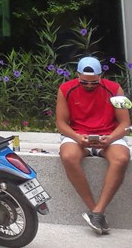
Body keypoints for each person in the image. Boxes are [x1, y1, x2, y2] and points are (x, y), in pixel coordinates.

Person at [56, 55, 131, 235]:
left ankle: (98, 211)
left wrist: (110, 138)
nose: (89, 85)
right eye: (84, 82)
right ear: (77, 75)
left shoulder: (115, 89)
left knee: (121, 158)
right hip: (78, 135)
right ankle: (95, 212)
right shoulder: (66, 89)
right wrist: (77, 137)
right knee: (68, 156)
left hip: (108, 135)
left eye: (93, 82)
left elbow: (125, 124)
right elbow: (61, 123)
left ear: (100, 76)